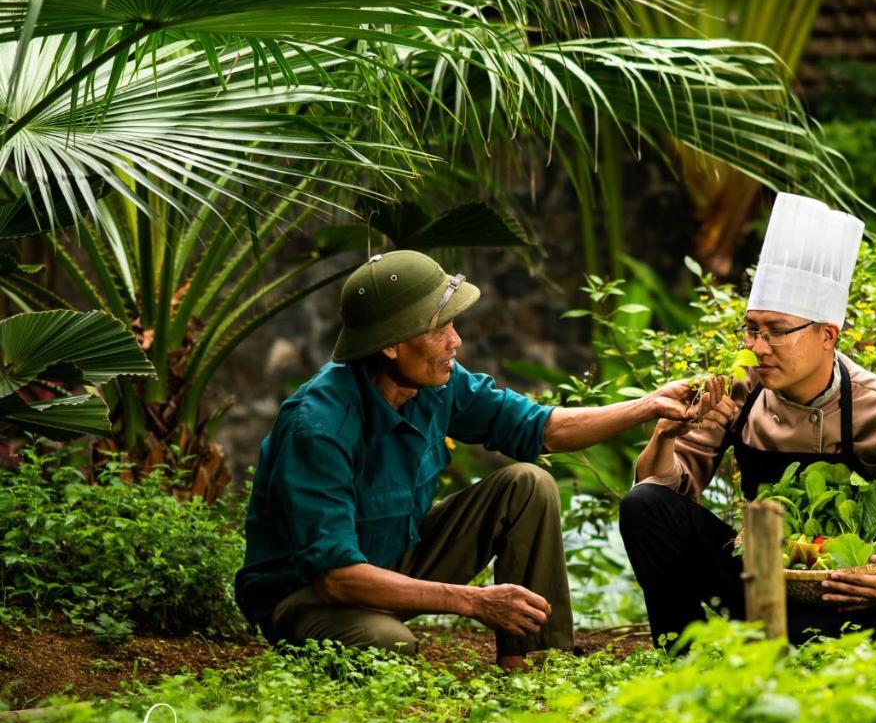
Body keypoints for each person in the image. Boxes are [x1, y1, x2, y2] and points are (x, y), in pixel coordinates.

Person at [234, 250, 711, 670]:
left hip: (395, 559)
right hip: (310, 594)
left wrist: (648, 406)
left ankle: (534, 654)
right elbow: (337, 577)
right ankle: (336, 637)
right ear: (391, 344)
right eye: (439, 328)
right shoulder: (318, 426)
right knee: (389, 646)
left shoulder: (437, 384)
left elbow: (542, 428)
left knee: (527, 484)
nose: (455, 341)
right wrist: (473, 601)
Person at [620, 193, 876, 647]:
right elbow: (665, 489)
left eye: (777, 331)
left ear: (827, 335)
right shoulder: (739, 388)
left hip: (842, 600)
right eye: (752, 329)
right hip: (756, 577)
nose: (759, 347)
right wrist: (667, 434)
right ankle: (684, 661)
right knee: (642, 505)